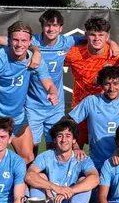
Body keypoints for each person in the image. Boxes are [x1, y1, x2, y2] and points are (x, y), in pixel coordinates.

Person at [0, 21, 58, 164]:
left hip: (17, 117)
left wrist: (53, 93)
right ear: (9, 40)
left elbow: (49, 84)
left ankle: (20, 187)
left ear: (30, 42)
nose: (19, 44)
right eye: (15, 40)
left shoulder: (35, 60)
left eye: (24, 40)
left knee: (28, 159)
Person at [67, 66, 119, 172]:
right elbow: (68, 123)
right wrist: (75, 147)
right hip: (97, 162)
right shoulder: (91, 101)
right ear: (101, 84)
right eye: (107, 84)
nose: (112, 88)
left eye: (115, 83)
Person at [24, 118, 99, 203]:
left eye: (68, 136)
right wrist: (55, 187)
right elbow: (29, 176)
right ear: (54, 139)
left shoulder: (81, 157)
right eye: (60, 136)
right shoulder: (47, 156)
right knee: (40, 177)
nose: (64, 140)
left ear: (74, 140)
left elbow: (95, 179)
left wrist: (68, 191)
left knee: (84, 181)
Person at [25, 10, 84, 148]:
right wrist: (36, 50)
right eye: (47, 25)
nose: (51, 29)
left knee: (55, 144)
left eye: (55, 25)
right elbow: (3, 39)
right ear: (42, 27)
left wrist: (113, 44)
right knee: (32, 146)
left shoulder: (66, 41)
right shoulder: (31, 41)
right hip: (33, 104)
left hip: (55, 105)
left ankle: (51, 170)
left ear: (61, 28)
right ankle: (32, 170)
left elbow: (94, 38)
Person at [64, 16, 119, 146]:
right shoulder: (74, 54)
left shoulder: (116, 54)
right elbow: (52, 62)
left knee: (105, 151)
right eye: (92, 35)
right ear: (85, 35)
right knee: (73, 152)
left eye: (101, 35)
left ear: (107, 36)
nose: (97, 39)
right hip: (79, 111)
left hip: (105, 111)